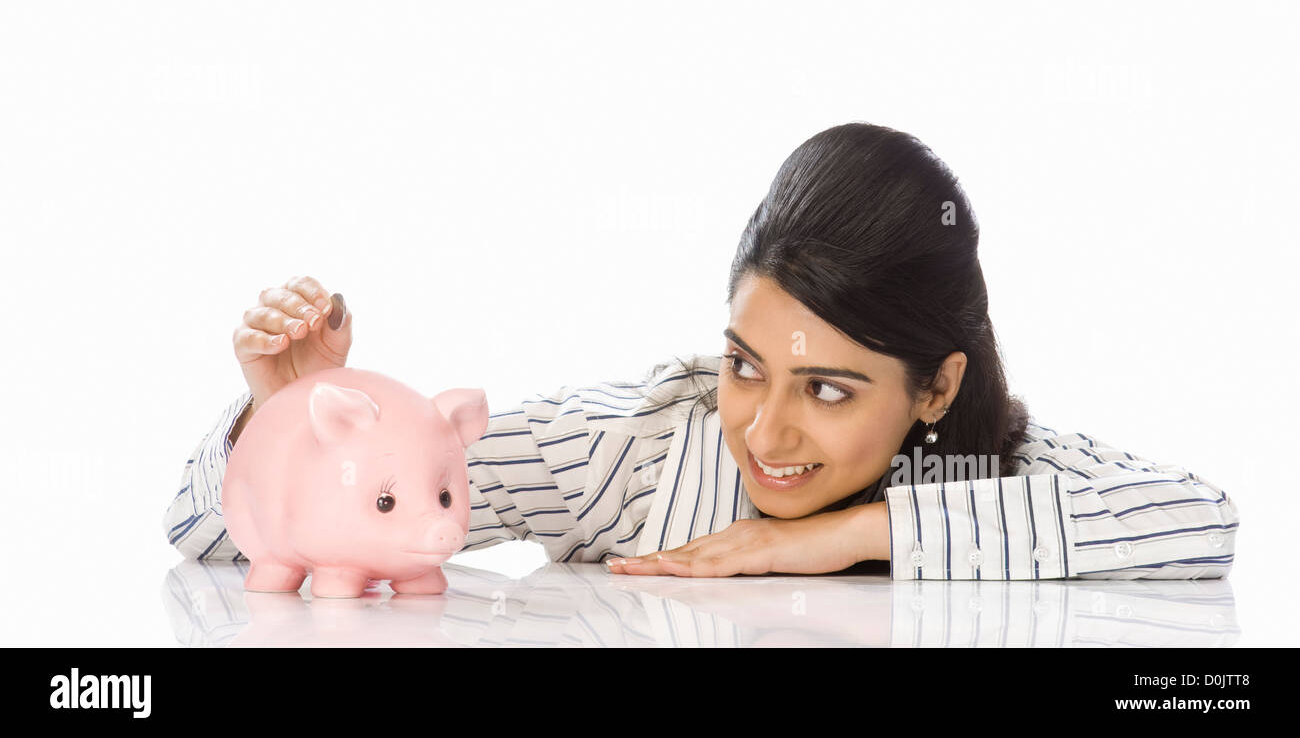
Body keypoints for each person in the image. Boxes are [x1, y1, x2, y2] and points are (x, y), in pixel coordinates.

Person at [163, 122, 1239, 580]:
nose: (763, 428)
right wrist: (285, 432)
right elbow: (204, 537)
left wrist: (838, 536)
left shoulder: (989, 463)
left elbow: (1201, 517)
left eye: (826, 386)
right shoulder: (631, 451)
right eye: (743, 363)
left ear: (936, 385)